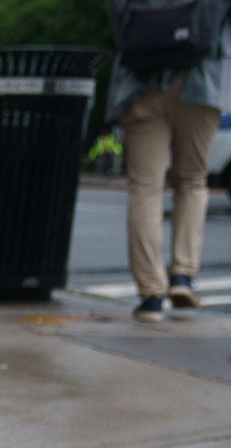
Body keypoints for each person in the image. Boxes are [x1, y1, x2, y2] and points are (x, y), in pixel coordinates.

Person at [105, 0, 231, 322]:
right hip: (201, 82)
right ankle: (182, 277)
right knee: (191, 180)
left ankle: (150, 296)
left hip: (141, 85)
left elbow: (121, 27)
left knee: (145, 187)